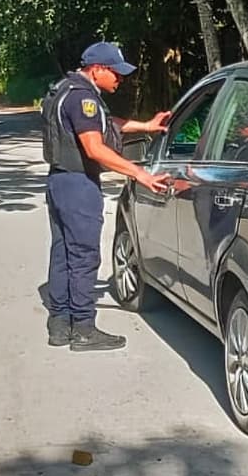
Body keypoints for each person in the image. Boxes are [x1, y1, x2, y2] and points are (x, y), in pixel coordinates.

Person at [41, 41, 172, 351]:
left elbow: (103, 123)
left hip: (59, 181)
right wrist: (140, 174)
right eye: (116, 73)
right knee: (84, 256)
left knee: (62, 254)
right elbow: (94, 147)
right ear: (97, 69)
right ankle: (84, 329)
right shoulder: (83, 98)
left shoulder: (65, 90)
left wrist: (147, 126)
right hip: (78, 185)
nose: (120, 79)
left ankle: (60, 324)